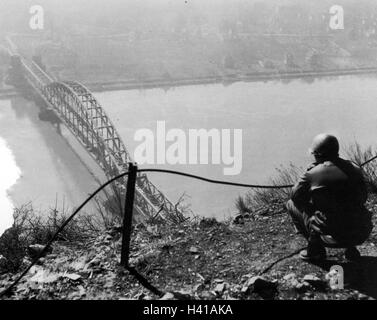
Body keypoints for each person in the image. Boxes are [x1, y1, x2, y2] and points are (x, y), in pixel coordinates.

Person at [286, 133, 373, 261]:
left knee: (291, 204)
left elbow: (295, 196)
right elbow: (363, 197)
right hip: (360, 233)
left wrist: (308, 176)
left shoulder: (312, 173)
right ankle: (351, 249)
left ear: (319, 155)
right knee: (349, 208)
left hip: (330, 237)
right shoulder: (355, 168)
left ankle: (315, 249)